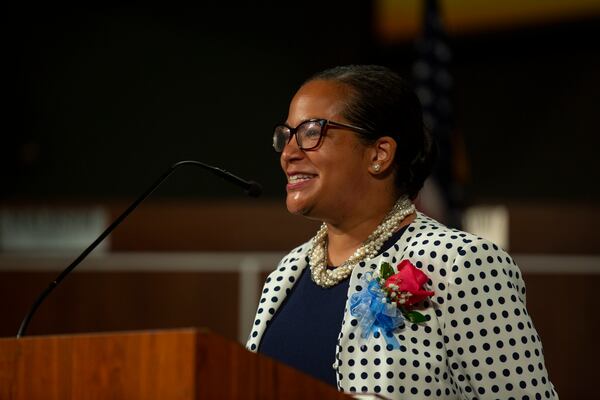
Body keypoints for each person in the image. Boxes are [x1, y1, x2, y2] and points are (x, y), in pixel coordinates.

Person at [246, 65, 558, 399]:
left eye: (311, 132)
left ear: (379, 154)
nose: (289, 154)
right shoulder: (286, 273)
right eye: (287, 136)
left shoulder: (458, 264)